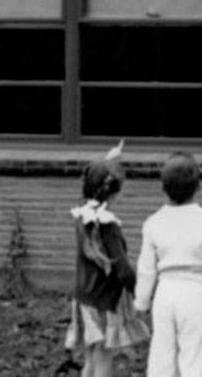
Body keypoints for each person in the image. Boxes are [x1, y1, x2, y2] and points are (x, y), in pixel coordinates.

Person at [134, 152, 202, 377]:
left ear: (163, 187)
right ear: (198, 186)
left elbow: (146, 269)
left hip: (165, 292)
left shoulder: (153, 223)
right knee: (193, 358)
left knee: (161, 357)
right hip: (197, 290)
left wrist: (141, 302)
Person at [65, 140, 149, 377]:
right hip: (103, 300)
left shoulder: (83, 213)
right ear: (113, 192)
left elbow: (94, 178)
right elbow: (122, 270)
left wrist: (109, 160)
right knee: (104, 361)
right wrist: (140, 293)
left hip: (84, 297)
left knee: (92, 358)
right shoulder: (108, 225)